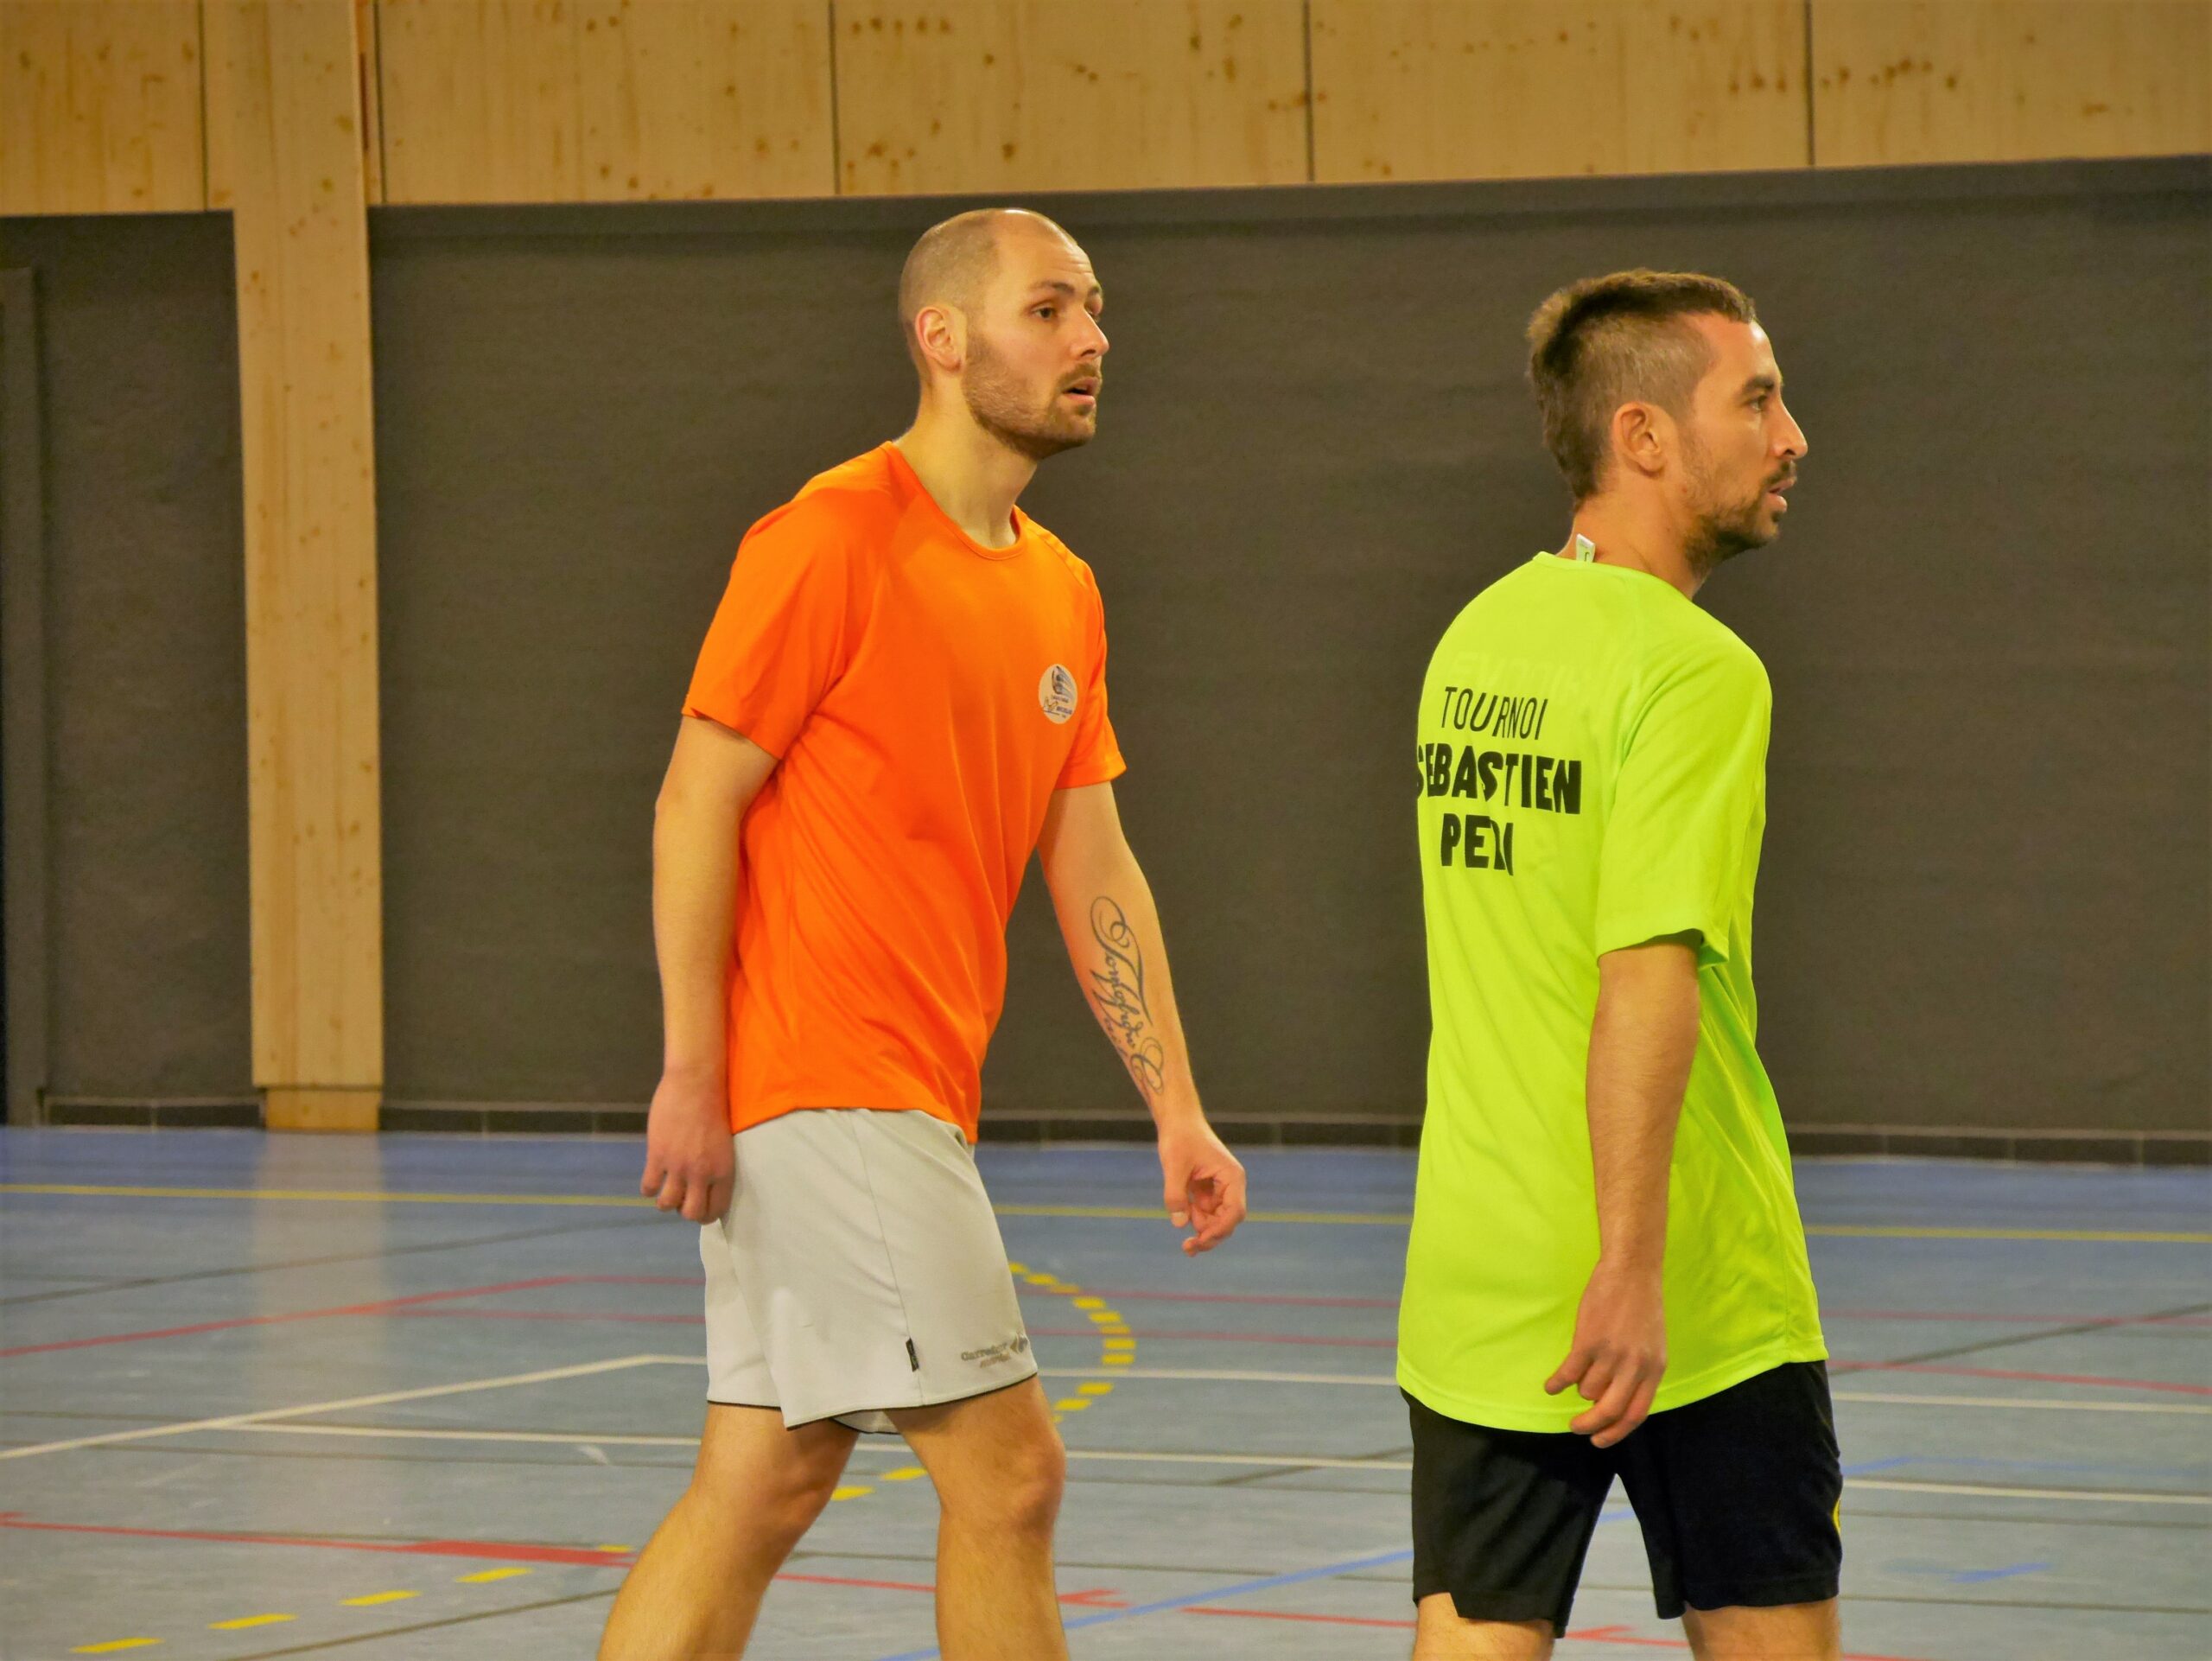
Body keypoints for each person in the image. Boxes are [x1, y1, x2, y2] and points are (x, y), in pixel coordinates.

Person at [599, 207, 1249, 1661]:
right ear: (941, 340)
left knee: (762, 1479)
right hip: (831, 1086)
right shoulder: (828, 536)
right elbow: (695, 802)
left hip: (896, 1099)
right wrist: (693, 1072)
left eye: (1095, 311)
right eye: (1049, 310)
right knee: (1012, 1473)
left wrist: (1178, 1107)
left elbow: (1093, 867)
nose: (1090, 340)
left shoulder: (1061, 587)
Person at [1397, 270, 1839, 1661]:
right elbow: (1643, 970)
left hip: (1479, 1282)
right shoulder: (1697, 670)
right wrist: (1632, 1268)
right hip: (1686, 1295)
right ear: (1644, 436)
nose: (1793, 437)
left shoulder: (1476, 639)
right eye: (1757, 399)